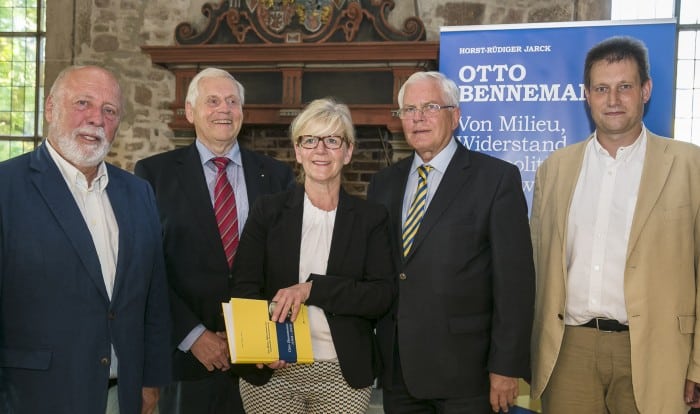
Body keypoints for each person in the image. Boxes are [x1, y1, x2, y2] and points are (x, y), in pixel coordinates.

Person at [530, 36, 700, 413]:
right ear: (586, 95)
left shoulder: (690, 166)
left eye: (625, 87)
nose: (613, 100)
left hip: (657, 352)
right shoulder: (555, 169)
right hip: (569, 351)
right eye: (602, 88)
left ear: (646, 90)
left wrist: (698, 364)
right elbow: (536, 267)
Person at [0, 65, 171, 413]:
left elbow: (153, 297)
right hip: (30, 395)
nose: (96, 119)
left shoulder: (138, 193)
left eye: (109, 110)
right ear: (51, 109)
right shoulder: (7, 187)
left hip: (119, 397)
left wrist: (151, 381)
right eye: (83, 103)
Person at [366, 71, 535, 413]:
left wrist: (505, 366)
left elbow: (514, 283)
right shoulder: (383, 184)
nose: (418, 117)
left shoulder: (496, 180)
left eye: (430, 106)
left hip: (468, 374)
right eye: (409, 110)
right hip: (401, 371)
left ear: (455, 116)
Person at [134, 67, 295, 414]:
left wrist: (276, 338)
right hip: (187, 361)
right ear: (190, 112)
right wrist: (194, 336)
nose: (224, 109)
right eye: (212, 100)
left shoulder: (277, 175)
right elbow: (146, 269)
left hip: (262, 362)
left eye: (232, 101)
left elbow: (288, 263)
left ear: (242, 112)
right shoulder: (152, 175)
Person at [229, 97, 396, 413]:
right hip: (273, 372)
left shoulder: (371, 218)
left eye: (332, 140)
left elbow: (381, 295)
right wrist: (261, 347)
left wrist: (312, 289)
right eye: (310, 140)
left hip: (341, 374)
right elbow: (244, 287)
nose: (320, 150)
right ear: (297, 151)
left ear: (347, 152)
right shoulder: (268, 212)